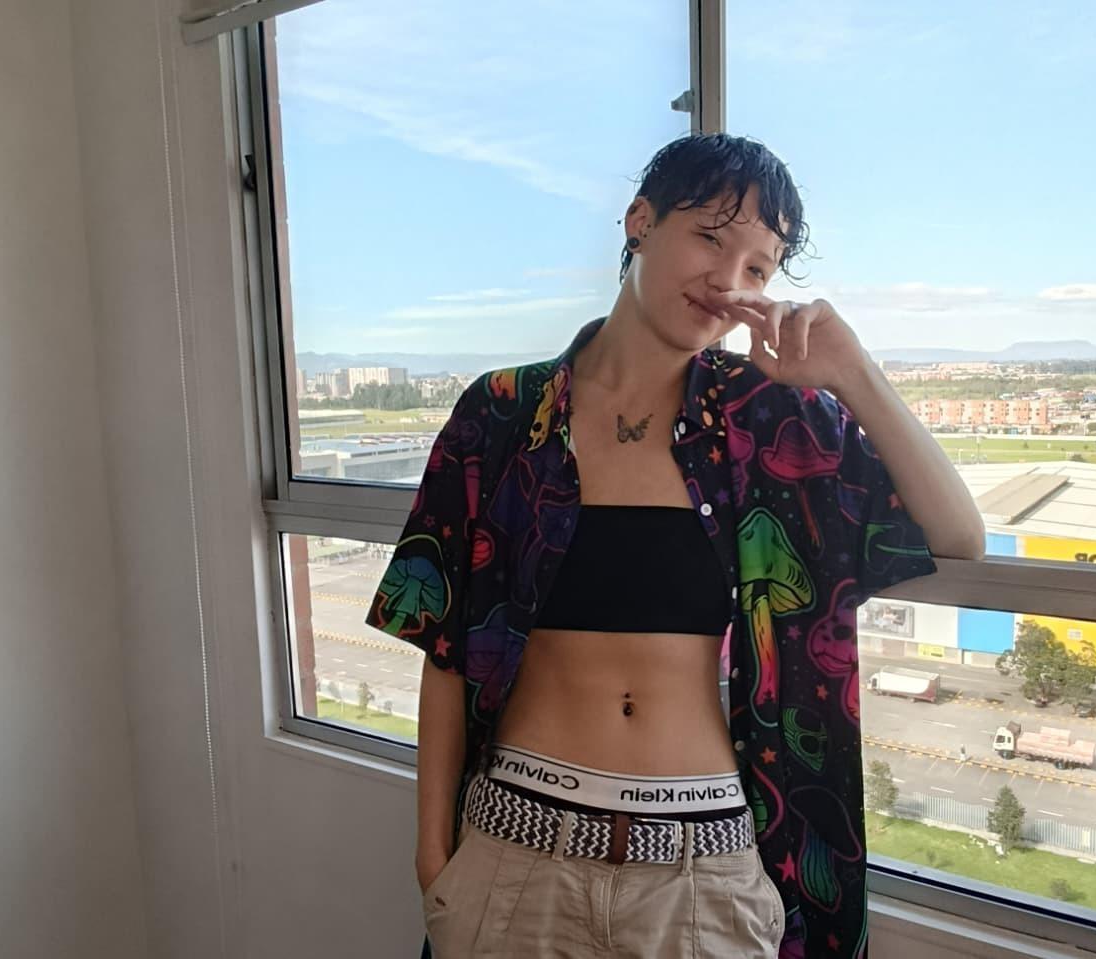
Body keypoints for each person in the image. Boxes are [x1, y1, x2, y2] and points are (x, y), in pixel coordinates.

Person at [366, 133, 985, 958]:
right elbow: (443, 644)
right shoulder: (504, 413)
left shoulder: (771, 423)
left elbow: (958, 532)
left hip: (704, 874)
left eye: (758, 268)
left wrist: (853, 373)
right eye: (710, 238)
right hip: (515, 851)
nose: (729, 280)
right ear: (640, 221)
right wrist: (433, 856)